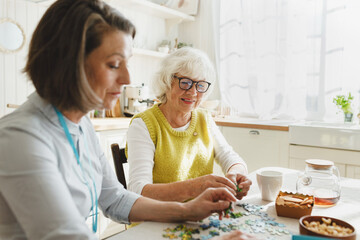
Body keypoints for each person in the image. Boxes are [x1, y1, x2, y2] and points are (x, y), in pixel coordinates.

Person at [0, 0, 258, 239]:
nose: (126, 79)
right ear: (69, 63)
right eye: (114, 64)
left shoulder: (81, 125)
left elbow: (115, 199)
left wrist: (189, 212)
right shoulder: (20, 140)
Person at [126, 47, 252, 202]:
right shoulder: (144, 124)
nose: (193, 92)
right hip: (158, 219)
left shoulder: (203, 118)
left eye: (200, 85)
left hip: (200, 215)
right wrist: (196, 187)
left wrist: (237, 174)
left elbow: (229, 157)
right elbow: (138, 190)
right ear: (166, 82)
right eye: (185, 83)